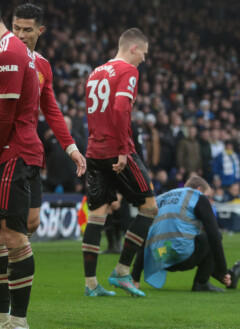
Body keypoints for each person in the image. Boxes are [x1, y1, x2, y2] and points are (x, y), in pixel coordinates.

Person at [0, 3, 87, 308]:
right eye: (16, 27)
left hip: (30, 153)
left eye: (27, 29)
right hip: (8, 154)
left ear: (40, 31)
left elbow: (52, 109)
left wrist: (71, 148)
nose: (20, 34)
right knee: (7, 228)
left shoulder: (43, 67)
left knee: (31, 223)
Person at [82, 28, 158, 298]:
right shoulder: (128, 71)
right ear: (134, 48)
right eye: (144, 54)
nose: (144, 61)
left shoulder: (95, 72)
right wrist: (125, 149)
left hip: (94, 150)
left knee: (98, 214)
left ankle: (91, 284)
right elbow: (120, 108)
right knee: (149, 208)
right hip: (117, 150)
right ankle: (122, 271)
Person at [131, 176, 240, 292]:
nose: (208, 200)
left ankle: (229, 276)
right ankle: (203, 282)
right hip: (180, 255)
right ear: (199, 189)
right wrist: (222, 270)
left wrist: (135, 276)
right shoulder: (197, 197)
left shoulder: (161, 198)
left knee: (194, 241)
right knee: (212, 238)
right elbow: (214, 235)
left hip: (158, 255)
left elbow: (146, 234)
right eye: (208, 196)